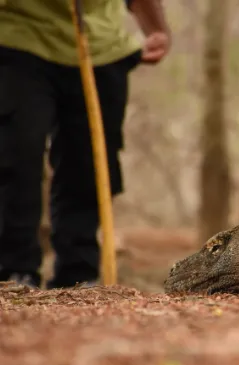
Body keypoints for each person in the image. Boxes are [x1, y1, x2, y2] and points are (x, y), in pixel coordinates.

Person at [0, 0, 170, 289]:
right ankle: (14, 271)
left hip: (101, 47)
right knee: (18, 155)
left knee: (88, 164)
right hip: (19, 38)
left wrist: (156, 28)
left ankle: (79, 273)